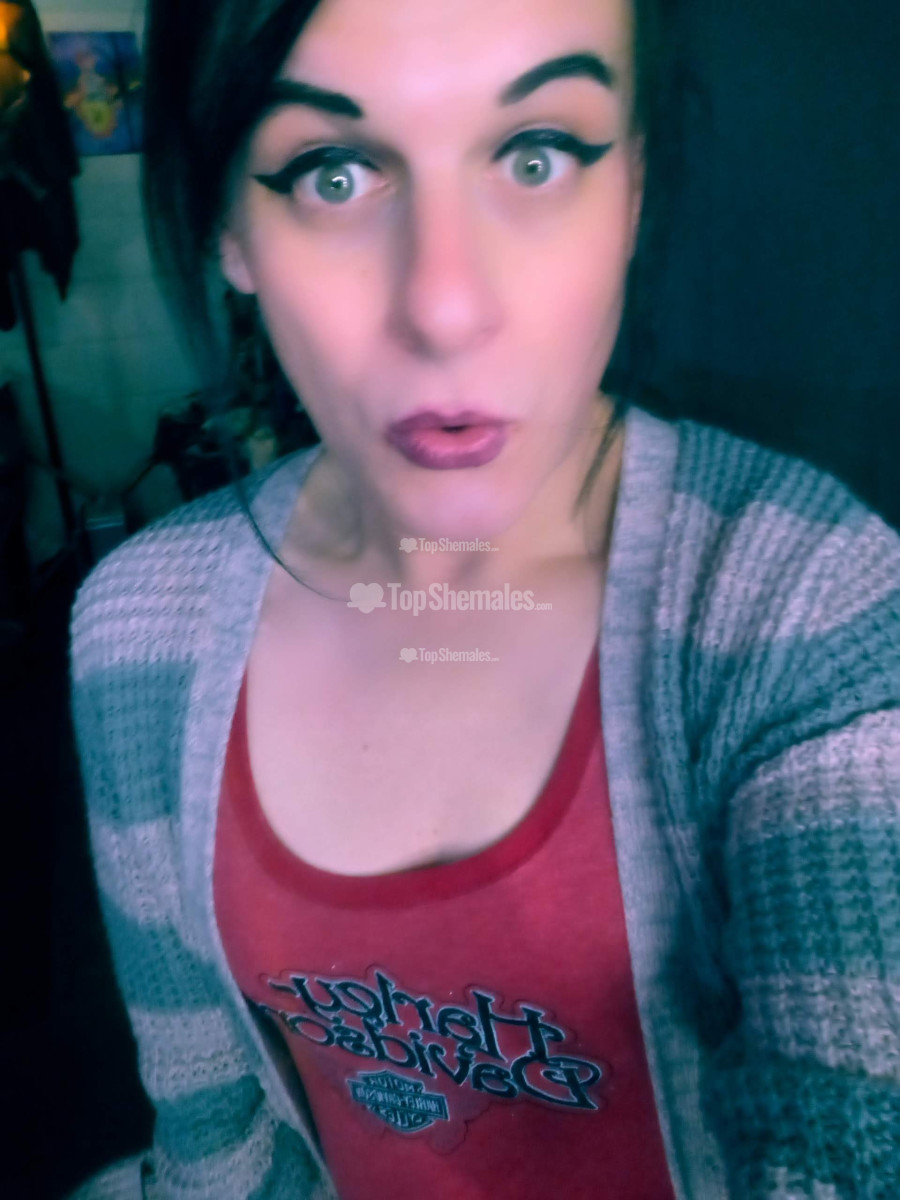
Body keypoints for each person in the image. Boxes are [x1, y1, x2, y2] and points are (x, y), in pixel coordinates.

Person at [68, 0, 900, 1196]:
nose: (447, 307)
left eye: (537, 155)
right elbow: (214, 1141)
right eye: (333, 172)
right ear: (228, 232)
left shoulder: (807, 611)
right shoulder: (139, 629)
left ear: (632, 191)